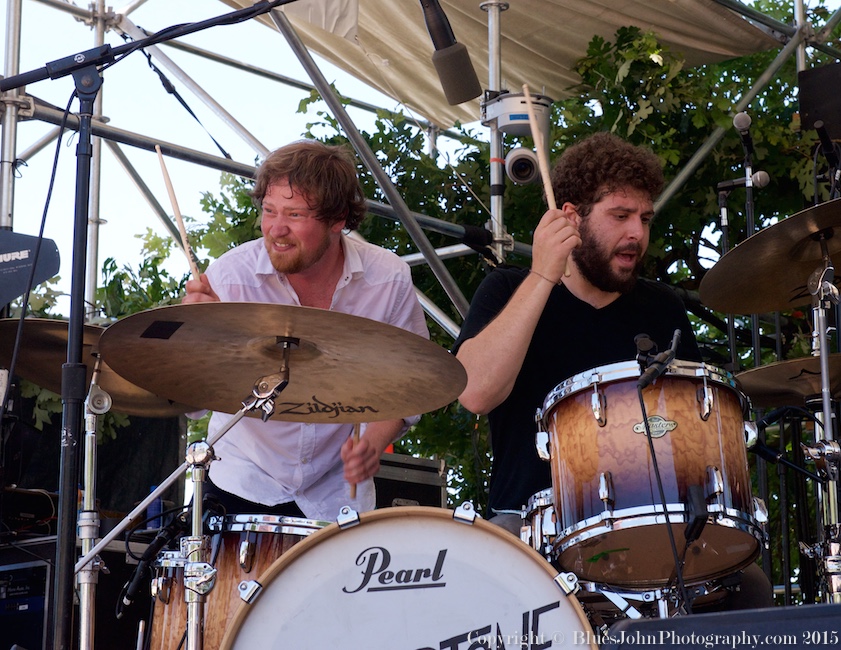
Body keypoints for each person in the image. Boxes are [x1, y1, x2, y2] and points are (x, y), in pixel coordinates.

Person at [452, 132, 771, 610]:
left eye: (644, 219)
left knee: (751, 590)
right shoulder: (507, 289)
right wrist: (542, 275)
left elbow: (687, 429)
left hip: (659, 522)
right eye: (620, 216)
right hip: (530, 524)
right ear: (571, 217)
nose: (636, 234)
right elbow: (474, 393)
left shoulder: (661, 308)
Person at [183, 139, 428, 521]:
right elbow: (191, 402)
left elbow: (408, 384)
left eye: (295, 215)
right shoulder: (230, 277)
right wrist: (194, 336)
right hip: (241, 480)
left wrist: (372, 443)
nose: (276, 230)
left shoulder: (387, 278)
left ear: (338, 220)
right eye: (269, 211)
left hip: (337, 494)